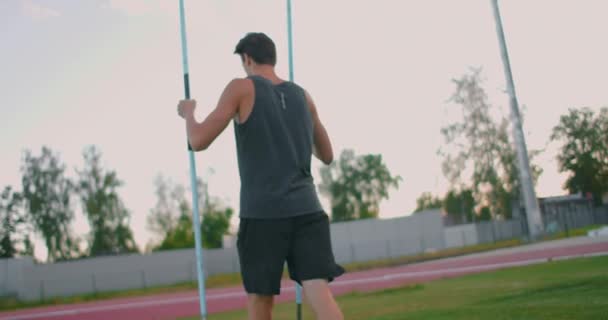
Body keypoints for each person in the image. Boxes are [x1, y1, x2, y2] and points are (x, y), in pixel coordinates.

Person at [177, 32, 344, 320]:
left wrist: (189, 114)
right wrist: (294, 132)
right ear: (273, 57)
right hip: (308, 210)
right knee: (318, 289)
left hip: (263, 213)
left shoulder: (241, 88)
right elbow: (326, 154)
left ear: (247, 59)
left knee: (260, 298)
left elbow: (198, 140)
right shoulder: (302, 95)